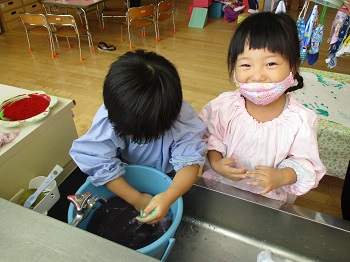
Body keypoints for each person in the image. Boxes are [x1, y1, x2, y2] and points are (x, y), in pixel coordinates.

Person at [199, 12, 326, 203]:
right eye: (246, 64)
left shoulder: (300, 120)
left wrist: (282, 177)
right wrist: (216, 162)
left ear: (293, 66)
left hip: (268, 201)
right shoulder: (224, 107)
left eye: (271, 63)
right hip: (221, 190)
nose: (257, 75)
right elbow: (211, 137)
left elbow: (305, 163)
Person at [70, 49, 206, 224]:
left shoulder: (180, 117)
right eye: (133, 134)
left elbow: (190, 161)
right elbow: (96, 160)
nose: (140, 138)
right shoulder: (112, 116)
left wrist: (169, 195)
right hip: (126, 169)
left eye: (152, 134)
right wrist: (136, 198)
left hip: (170, 173)